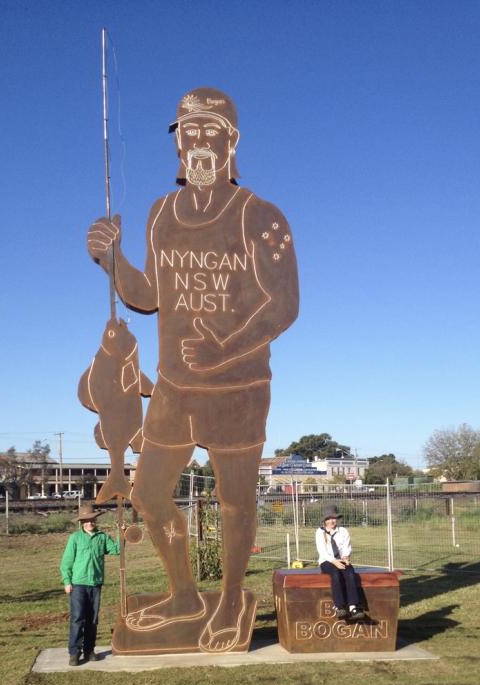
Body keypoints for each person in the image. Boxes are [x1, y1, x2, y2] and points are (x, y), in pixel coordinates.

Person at [87, 88, 299, 652]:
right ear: (178, 141)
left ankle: (229, 601)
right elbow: (149, 294)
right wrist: (112, 262)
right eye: (188, 131)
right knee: (149, 497)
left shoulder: (260, 215)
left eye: (211, 131)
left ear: (231, 141)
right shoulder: (160, 213)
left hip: (238, 386)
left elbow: (283, 305)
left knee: (235, 501)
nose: (198, 142)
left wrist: (224, 349)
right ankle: (183, 593)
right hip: (175, 389)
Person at [60, 504, 120, 665]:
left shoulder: (102, 537)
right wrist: (67, 581)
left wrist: (121, 533)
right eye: (86, 520)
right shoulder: (75, 538)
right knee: (78, 618)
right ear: (82, 522)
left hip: (95, 584)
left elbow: (116, 550)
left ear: (95, 520)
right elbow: (66, 562)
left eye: (92, 520)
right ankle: (74, 652)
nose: (89, 523)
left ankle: (89, 650)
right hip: (78, 584)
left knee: (92, 619)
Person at [315, 504, 365, 620]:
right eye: (329, 519)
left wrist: (346, 557)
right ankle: (339, 607)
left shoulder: (343, 531)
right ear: (325, 520)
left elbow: (347, 547)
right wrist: (334, 562)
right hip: (327, 560)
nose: (332, 521)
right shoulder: (319, 532)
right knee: (335, 574)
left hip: (341, 559)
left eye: (334, 518)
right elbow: (322, 551)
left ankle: (353, 606)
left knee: (350, 573)